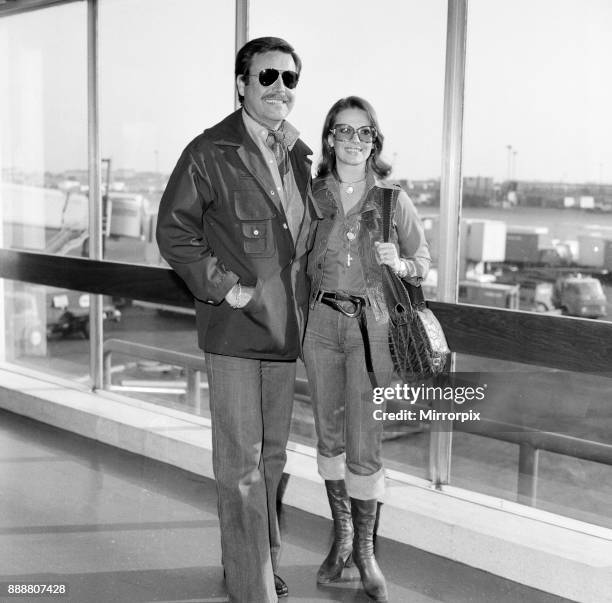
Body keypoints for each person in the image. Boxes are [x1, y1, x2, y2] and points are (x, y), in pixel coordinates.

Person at [156, 37, 320, 603]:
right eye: (268, 76)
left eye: (290, 79)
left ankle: (254, 565)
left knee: (273, 457)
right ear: (242, 85)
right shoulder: (209, 152)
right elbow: (174, 232)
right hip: (235, 330)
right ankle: (254, 589)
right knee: (241, 464)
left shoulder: (297, 156)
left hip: (285, 330)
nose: (280, 88)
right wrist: (226, 290)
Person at [303, 96, 430, 602]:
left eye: (363, 132)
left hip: (372, 330)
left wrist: (399, 262)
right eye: (343, 131)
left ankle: (364, 553)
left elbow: (423, 263)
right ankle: (343, 540)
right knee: (329, 436)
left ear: (375, 141)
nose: (353, 141)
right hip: (319, 325)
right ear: (329, 138)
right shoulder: (312, 195)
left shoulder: (394, 200)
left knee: (365, 441)